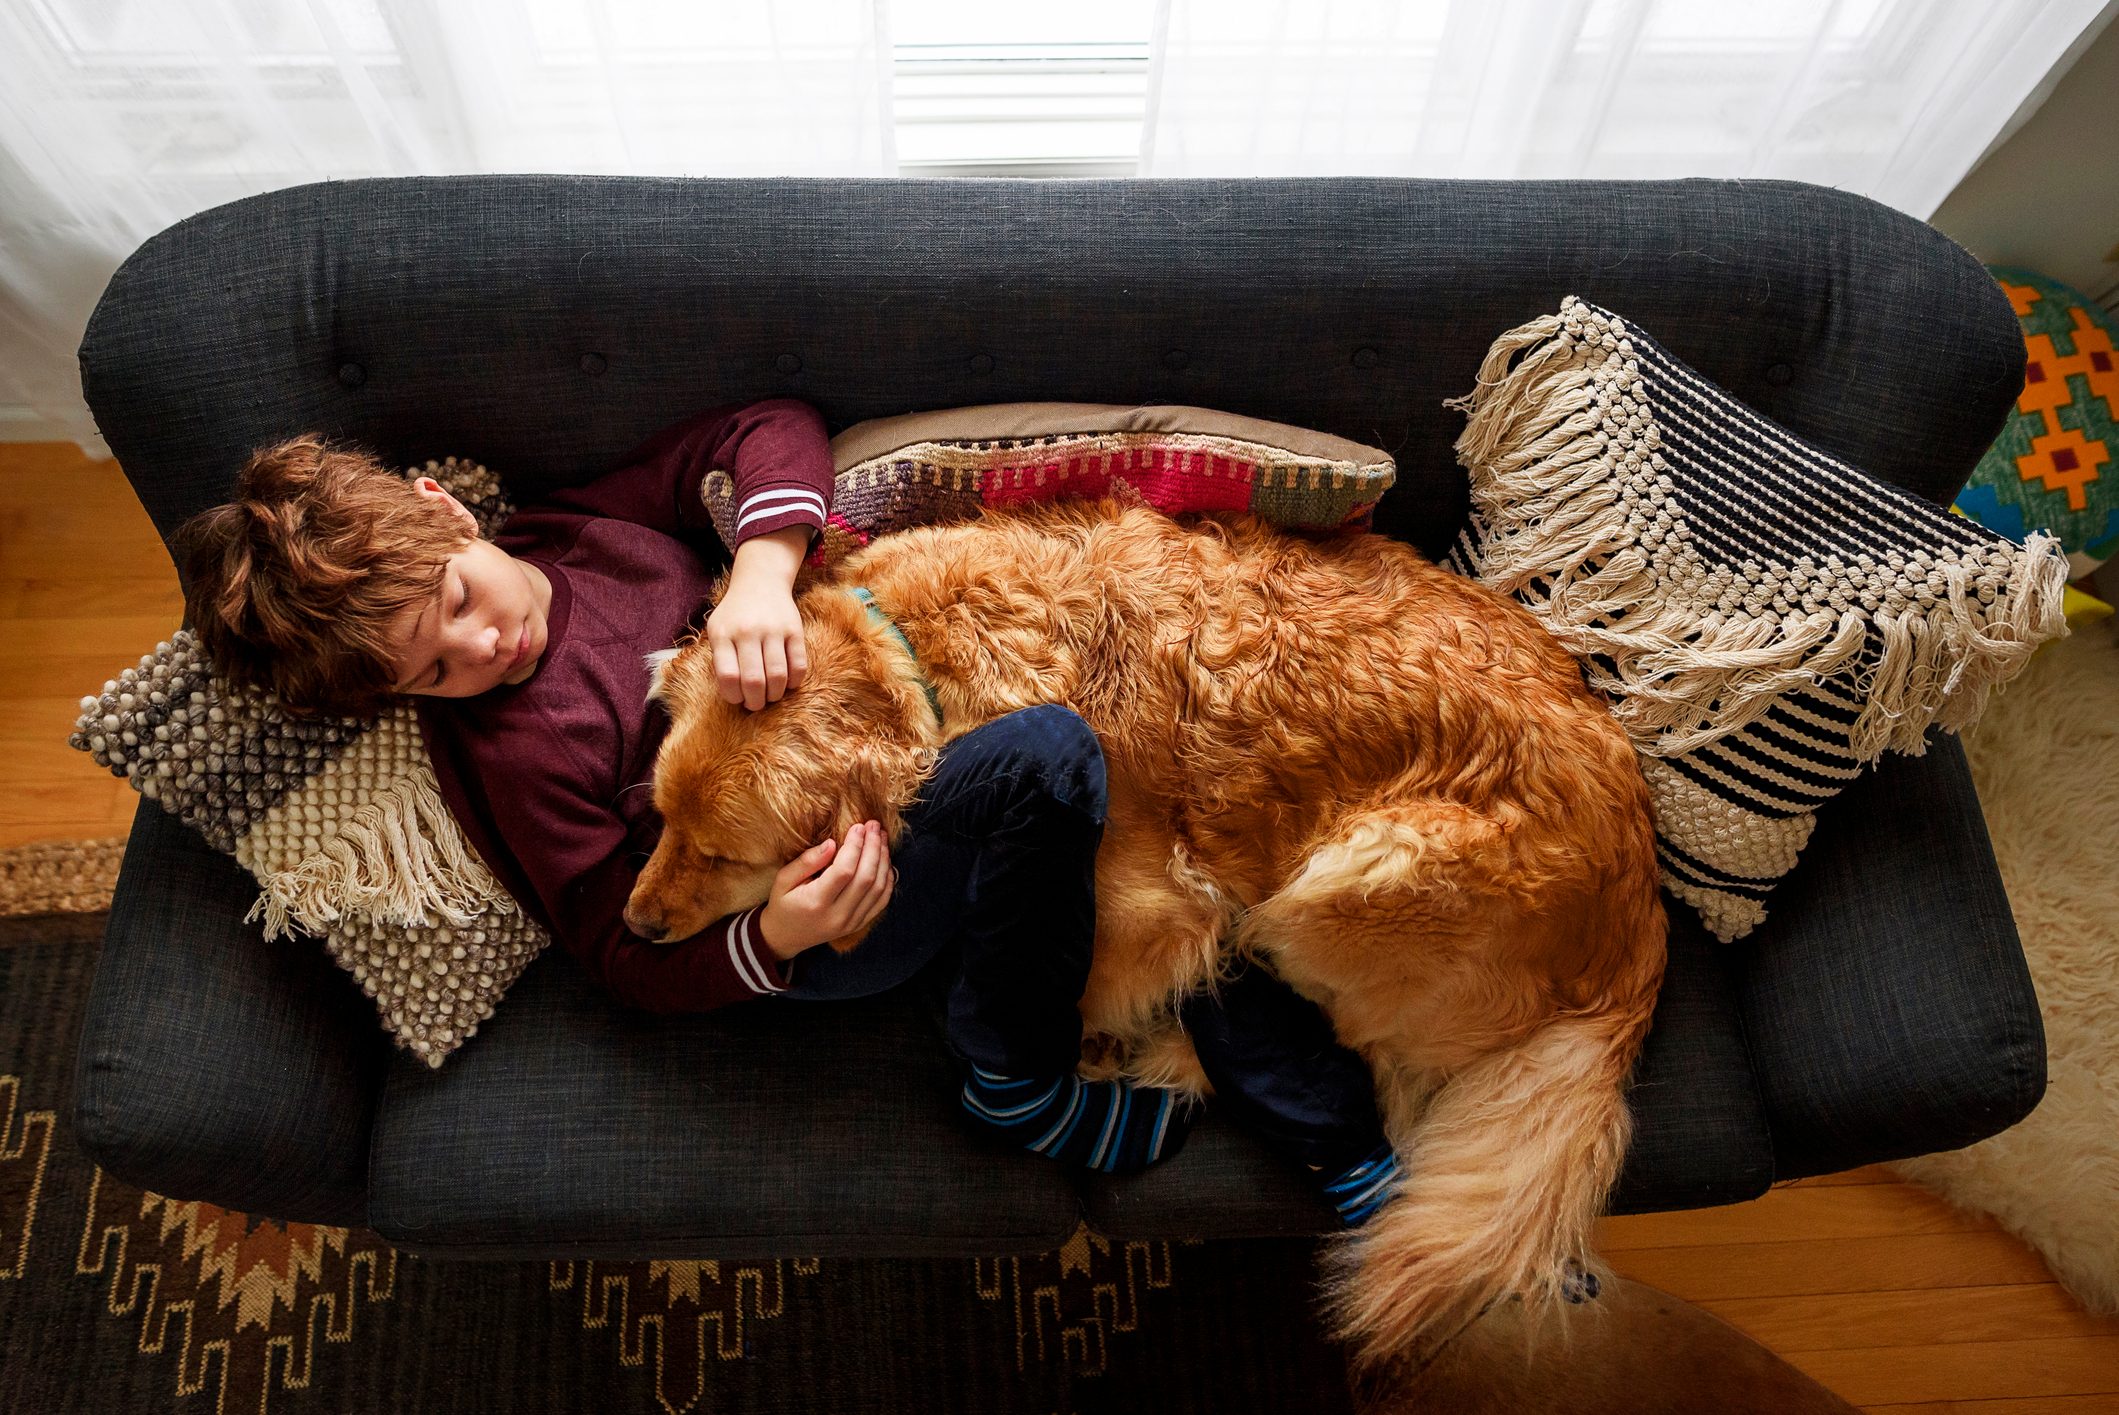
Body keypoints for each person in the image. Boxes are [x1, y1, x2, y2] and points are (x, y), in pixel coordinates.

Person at [172, 399, 1404, 1205]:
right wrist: (778, 937)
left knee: (1161, 851)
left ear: (452, 515)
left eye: (456, 601)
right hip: (828, 912)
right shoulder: (515, 746)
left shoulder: (578, 531)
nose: (483, 645)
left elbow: (764, 427)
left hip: (871, 749)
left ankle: (1341, 1140)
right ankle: (1012, 1075)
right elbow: (622, 942)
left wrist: (761, 572)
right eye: (431, 670)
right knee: (1049, 758)